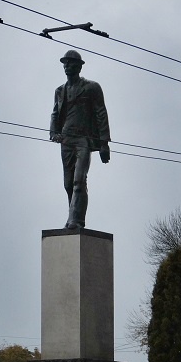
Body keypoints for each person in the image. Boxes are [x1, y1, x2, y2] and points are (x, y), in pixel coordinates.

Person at [50, 49, 111, 230]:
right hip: (66, 141)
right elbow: (55, 113)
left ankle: (75, 220)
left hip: (83, 140)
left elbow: (101, 113)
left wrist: (104, 143)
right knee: (68, 184)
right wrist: (53, 133)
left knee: (79, 180)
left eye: (71, 63)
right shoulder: (60, 91)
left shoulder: (92, 87)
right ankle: (74, 217)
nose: (67, 66)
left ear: (79, 66)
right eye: (65, 63)